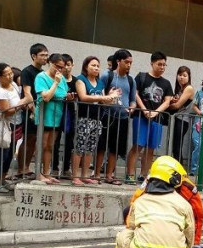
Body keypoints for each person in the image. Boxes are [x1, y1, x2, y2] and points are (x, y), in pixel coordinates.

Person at [126, 51, 173, 184]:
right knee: (138, 146)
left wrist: (155, 112)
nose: (162, 67)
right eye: (159, 64)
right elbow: (135, 94)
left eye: (164, 65)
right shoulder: (141, 77)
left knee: (151, 148)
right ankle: (130, 174)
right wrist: (144, 109)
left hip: (157, 120)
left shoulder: (166, 83)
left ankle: (144, 175)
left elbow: (167, 101)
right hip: (141, 117)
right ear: (152, 63)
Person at [71, 56, 118, 186]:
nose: (96, 68)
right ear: (86, 66)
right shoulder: (81, 80)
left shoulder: (100, 83)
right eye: (93, 65)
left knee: (90, 148)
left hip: (97, 119)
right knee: (79, 147)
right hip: (83, 118)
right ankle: (75, 176)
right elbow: (83, 97)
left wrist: (111, 98)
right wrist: (104, 96)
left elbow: (103, 101)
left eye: (98, 65)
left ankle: (85, 175)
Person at [95, 49, 135, 185]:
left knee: (115, 148)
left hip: (123, 118)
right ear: (118, 61)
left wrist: (132, 107)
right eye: (126, 62)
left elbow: (132, 99)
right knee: (101, 145)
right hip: (106, 115)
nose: (129, 65)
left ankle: (109, 175)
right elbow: (98, 93)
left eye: (131, 62)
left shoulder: (131, 80)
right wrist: (108, 97)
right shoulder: (108, 75)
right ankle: (96, 174)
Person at [0, 64, 26, 193]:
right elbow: (6, 111)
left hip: (16, 123)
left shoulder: (14, 85)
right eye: (7, 74)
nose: (11, 76)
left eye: (11, 73)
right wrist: (21, 104)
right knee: (1, 154)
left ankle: (2, 179)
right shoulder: (0, 91)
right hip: (5, 125)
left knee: (10, 153)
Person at [34, 53, 69, 184]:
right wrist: (55, 83)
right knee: (42, 145)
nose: (59, 70)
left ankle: (47, 173)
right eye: (57, 66)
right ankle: (39, 173)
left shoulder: (62, 79)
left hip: (57, 115)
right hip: (44, 115)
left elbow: (62, 94)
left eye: (62, 67)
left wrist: (67, 96)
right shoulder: (41, 77)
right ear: (50, 63)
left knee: (50, 145)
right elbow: (46, 97)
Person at [16, 43, 48, 180]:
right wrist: (34, 111)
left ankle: (27, 167)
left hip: (42, 111)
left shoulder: (44, 73)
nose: (45, 58)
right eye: (42, 55)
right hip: (31, 110)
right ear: (33, 56)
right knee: (28, 138)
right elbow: (27, 94)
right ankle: (21, 168)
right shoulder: (27, 71)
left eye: (46, 55)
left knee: (34, 139)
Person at [51, 53, 77, 178]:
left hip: (70, 113)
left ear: (72, 65)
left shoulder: (76, 81)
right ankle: (54, 167)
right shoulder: (57, 79)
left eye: (68, 65)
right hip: (57, 111)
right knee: (55, 141)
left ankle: (66, 168)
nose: (66, 68)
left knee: (69, 141)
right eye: (63, 65)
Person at [168, 66, 195, 162]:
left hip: (183, 120)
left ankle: (179, 171)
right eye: (180, 75)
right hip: (178, 119)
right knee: (175, 146)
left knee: (177, 146)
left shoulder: (189, 88)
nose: (181, 77)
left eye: (184, 75)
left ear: (189, 77)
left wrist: (167, 104)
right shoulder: (180, 89)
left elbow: (177, 106)